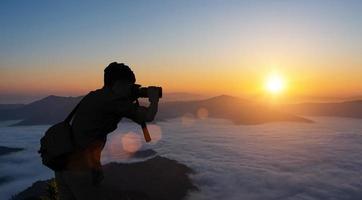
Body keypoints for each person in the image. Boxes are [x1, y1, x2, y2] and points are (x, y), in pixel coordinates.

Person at [54, 62, 160, 200]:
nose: (130, 89)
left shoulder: (95, 96)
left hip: (62, 167)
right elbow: (147, 116)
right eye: (129, 85)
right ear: (118, 84)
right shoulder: (112, 100)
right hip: (80, 170)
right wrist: (154, 99)